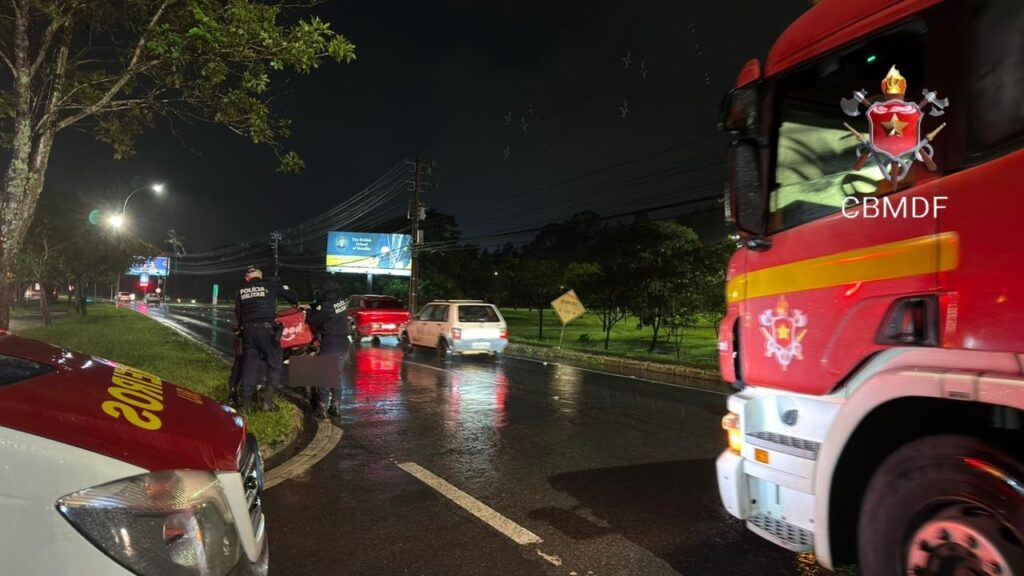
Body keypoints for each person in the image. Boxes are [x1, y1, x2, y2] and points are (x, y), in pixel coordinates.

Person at [235, 266, 298, 412]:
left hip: (249, 333)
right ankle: (267, 402)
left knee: (249, 367)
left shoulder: (241, 291)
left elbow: (238, 314)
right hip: (267, 331)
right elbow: (292, 296)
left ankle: (245, 405)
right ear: (261, 276)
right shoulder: (270, 285)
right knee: (275, 364)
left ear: (247, 278)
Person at [305, 279, 350, 418]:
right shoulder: (341, 302)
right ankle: (336, 407)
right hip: (344, 344)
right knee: (335, 376)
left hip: (331, 344)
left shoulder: (326, 307)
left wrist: (308, 310)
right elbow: (328, 311)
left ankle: (322, 409)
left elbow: (312, 319)